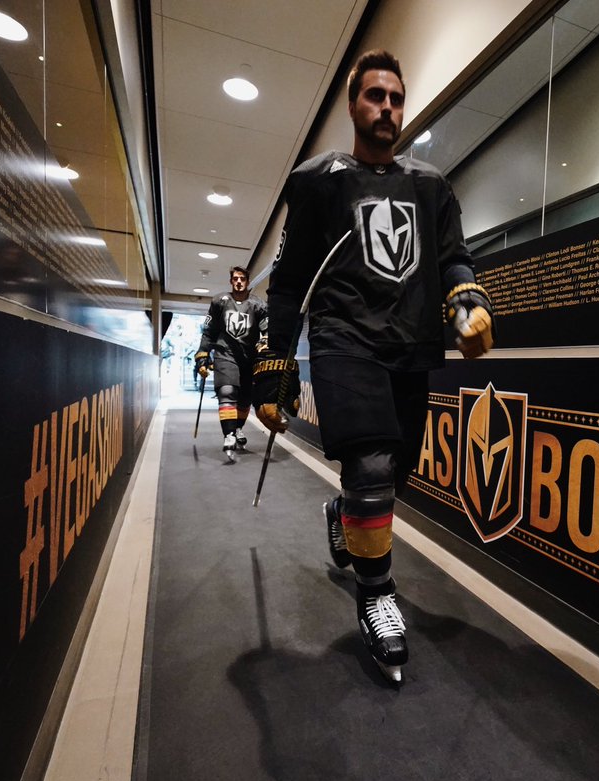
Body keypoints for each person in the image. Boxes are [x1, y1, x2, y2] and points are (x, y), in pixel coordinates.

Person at [254, 49, 493, 681]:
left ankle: (343, 515)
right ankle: (376, 595)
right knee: (372, 465)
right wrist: (276, 363)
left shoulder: (432, 186)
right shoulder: (318, 180)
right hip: (343, 339)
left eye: (395, 98)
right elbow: (289, 281)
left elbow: (454, 257)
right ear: (353, 104)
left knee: (394, 478)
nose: (387, 107)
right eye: (374, 96)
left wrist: (468, 301)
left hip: (411, 345)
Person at [195, 266, 269, 461]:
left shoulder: (258, 305)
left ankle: (237, 429)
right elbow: (209, 331)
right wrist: (203, 354)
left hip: (249, 357)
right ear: (231, 281)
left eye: (242, 278)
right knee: (227, 391)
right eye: (235, 278)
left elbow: (267, 330)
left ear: (248, 281)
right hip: (225, 353)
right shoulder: (219, 301)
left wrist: (265, 340)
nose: (239, 282)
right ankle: (228, 435)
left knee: (245, 399)